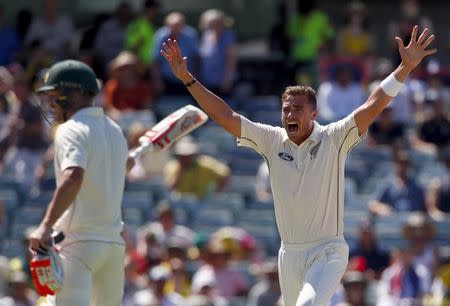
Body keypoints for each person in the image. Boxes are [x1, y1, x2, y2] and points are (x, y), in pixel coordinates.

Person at [159, 25, 436, 305]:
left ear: (314, 113)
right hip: (288, 255)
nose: (290, 114)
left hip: (328, 251)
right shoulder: (271, 140)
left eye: (298, 109)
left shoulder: (334, 137)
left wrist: (405, 67)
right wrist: (187, 78)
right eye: (286, 109)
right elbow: (226, 116)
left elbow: (373, 105)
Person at [28, 59, 135, 305]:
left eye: (55, 95)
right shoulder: (114, 129)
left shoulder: (71, 129)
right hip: (112, 246)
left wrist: (46, 224)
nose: (51, 103)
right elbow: (119, 170)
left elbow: (74, 175)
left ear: (73, 93)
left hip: (78, 245)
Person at [164, 136, 230, 199]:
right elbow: (171, 188)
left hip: (200, 202)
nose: (185, 158)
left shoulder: (205, 164)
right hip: (180, 202)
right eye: (182, 156)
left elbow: (225, 173)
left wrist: (216, 193)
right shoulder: (172, 167)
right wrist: (180, 171)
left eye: (188, 155)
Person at [369, 151, 427, 216]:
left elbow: (425, 208)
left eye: (405, 163)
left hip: (411, 222)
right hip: (393, 220)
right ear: (394, 164)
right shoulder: (388, 184)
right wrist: (383, 209)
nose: (402, 166)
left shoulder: (417, 186)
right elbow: (373, 204)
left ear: (409, 166)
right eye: (399, 163)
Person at [198, 9, 237, 97]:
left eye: (216, 23)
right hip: (207, 82)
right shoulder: (206, 35)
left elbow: (231, 59)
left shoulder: (228, 36)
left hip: (223, 83)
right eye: (210, 24)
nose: (212, 26)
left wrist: (227, 79)